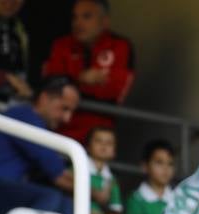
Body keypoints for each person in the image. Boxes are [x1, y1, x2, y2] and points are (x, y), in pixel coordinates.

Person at [0, 75, 80, 214]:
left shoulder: (28, 117)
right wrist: (98, 195)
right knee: (51, 198)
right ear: (44, 98)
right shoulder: (25, 118)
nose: (67, 118)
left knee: (66, 204)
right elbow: (59, 176)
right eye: (64, 108)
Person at [40, 0, 134, 143]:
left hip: (97, 137)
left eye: (86, 16)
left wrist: (71, 85)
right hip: (59, 130)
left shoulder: (120, 46)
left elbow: (116, 92)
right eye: (75, 17)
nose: (78, 23)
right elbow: (50, 84)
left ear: (105, 21)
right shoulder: (61, 45)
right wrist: (80, 79)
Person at [125, 138, 175, 214]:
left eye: (170, 164)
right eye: (159, 162)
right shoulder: (136, 199)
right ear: (145, 167)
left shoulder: (179, 199)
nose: (166, 168)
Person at [85, 124, 121, 214]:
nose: (104, 146)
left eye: (109, 143)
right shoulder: (77, 168)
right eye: (98, 141)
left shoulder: (112, 181)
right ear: (88, 145)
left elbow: (116, 212)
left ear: (114, 151)